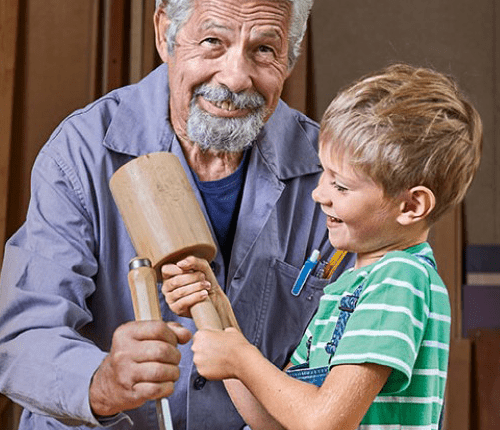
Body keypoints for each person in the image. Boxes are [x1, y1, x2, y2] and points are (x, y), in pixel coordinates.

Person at [0, 0, 355, 429]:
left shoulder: (333, 178)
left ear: (290, 57)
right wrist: (101, 381)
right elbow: (24, 336)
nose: (235, 76)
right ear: (165, 33)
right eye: (212, 41)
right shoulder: (82, 152)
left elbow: (345, 375)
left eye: (263, 50)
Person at [168, 63, 483, 429]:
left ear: (411, 206)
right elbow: (275, 420)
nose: (319, 194)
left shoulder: (400, 280)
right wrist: (222, 318)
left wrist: (240, 359)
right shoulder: (351, 284)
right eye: (323, 174)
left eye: (342, 186)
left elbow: (324, 422)